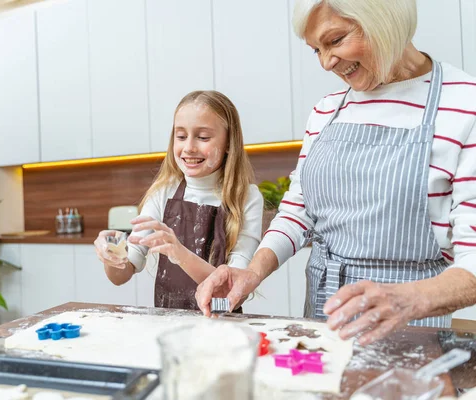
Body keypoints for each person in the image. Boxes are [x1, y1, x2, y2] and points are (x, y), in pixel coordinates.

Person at [196, 0, 476, 345]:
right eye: (316, 49)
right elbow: (299, 214)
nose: (327, 62)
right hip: (321, 321)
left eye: (336, 40)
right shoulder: (327, 111)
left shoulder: (464, 106)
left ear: (384, 20)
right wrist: (251, 273)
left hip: (412, 330)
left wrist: (408, 299)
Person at [94, 90, 263, 310]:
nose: (189, 147)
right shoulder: (163, 193)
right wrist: (113, 253)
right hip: (169, 326)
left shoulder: (246, 198)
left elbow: (233, 289)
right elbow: (122, 274)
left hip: (221, 326)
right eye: (181, 136)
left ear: (229, 142)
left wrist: (180, 254)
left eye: (203, 137)